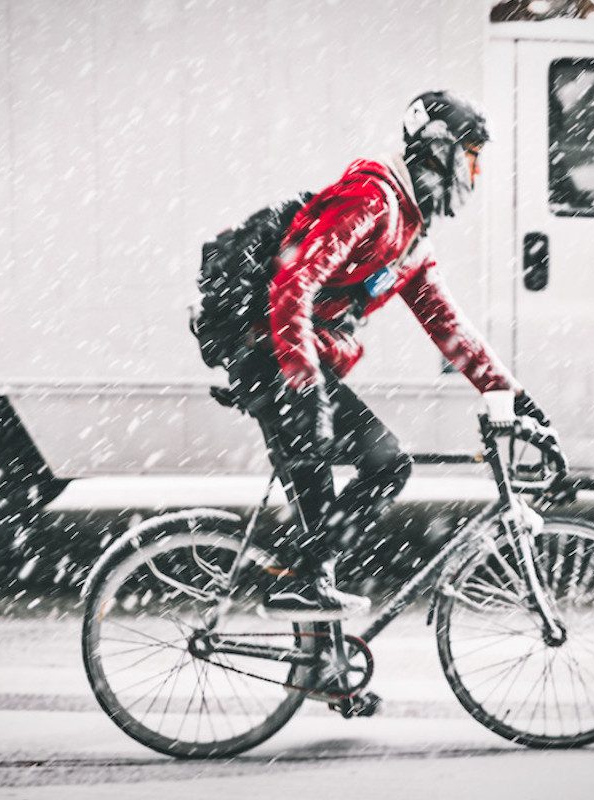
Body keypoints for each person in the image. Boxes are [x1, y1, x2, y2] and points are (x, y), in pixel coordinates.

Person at [227, 91, 552, 621]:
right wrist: (305, 385)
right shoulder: (371, 201)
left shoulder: (411, 232)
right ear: (439, 150)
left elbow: (449, 328)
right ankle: (304, 579)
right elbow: (294, 280)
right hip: (272, 355)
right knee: (385, 464)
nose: (476, 171)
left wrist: (514, 399)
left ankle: (318, 648)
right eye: (472, 154)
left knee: (321, 540)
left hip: (292, 359)